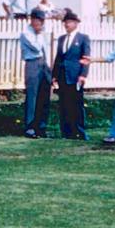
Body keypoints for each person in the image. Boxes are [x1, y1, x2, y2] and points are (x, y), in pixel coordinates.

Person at [51, 9, 90, 140]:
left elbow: (86, 58)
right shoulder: (61, 39)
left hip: (75, 75)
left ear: (75, 23)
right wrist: (54, 75)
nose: (66, 25)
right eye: (65, 22)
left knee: (77, 104)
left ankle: (79, 131)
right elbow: (58, 58)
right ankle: (66, 131)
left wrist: (83, 74)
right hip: (63, 75)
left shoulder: (83, 38)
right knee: (64, 104)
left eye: (69, 22)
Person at [20, 8, 52, 138]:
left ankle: (41, 126)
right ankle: (30, 127)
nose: (40, 23)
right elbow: (37, 47)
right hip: (32, 63)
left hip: (43, 63)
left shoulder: (41, 32)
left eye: (42, 21)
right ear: (32, 20)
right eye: (38, 20)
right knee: (32, 96)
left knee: (44, 96)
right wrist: (39, 33)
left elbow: (46, 48)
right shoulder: (26, 33)